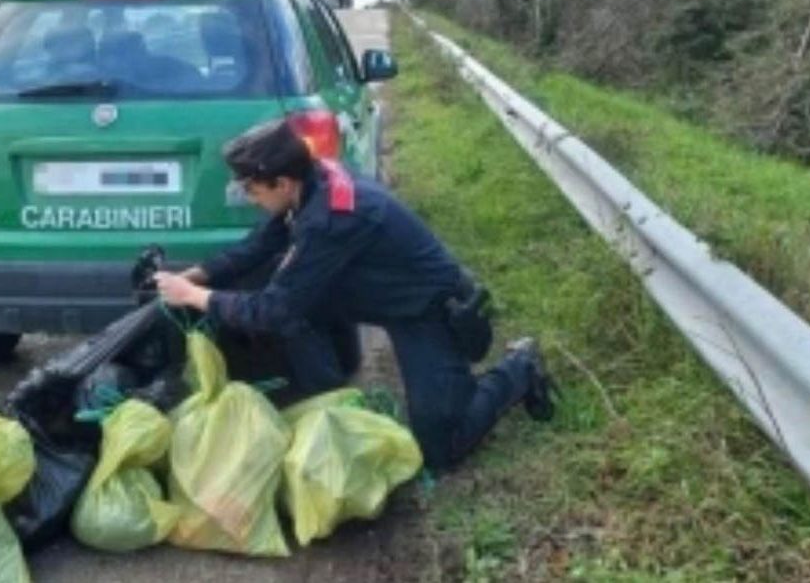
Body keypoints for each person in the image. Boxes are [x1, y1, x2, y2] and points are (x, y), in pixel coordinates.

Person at [154, 118, 560, 470]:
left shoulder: (332, 217)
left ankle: (519, 368)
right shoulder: (309, 184)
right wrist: (198, 275)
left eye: (253, 190)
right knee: (273, 289)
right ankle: (331, 403)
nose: (251, 199)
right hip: (373, 296)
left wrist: (193, 296)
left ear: (282, 181)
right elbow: (258, 247)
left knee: (441, 446)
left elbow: (275, 310)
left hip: (425, 309)